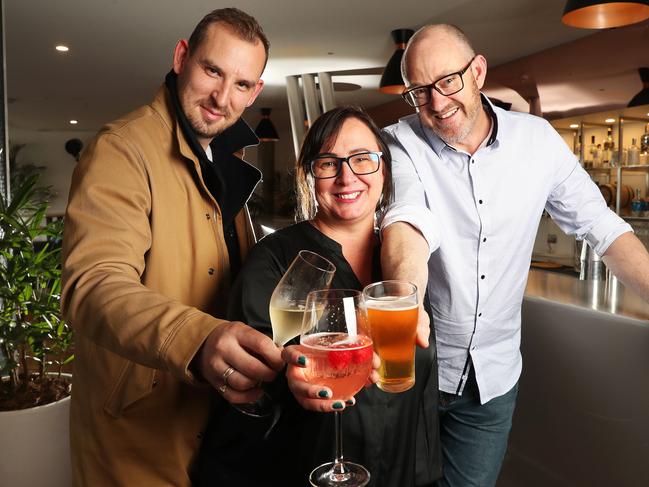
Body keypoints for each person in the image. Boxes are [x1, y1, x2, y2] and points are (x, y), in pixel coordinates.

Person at [379, 24, 649, 487]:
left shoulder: (538, 142)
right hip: (415, 373)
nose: (437, 103)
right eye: (420, 93)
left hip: (492, 381)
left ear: (478, 71)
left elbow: (602, 227)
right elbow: (408, 221)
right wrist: (406, 305)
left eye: (448, 82)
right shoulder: (399, 142)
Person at [61, 8, 285, 486]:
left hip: (218, 425)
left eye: (242, 85)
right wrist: (198, 338)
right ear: (182, 56)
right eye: (212, 71)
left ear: (257, 92)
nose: (222, 98)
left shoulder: (228, 155)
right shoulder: (121, 149)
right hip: (140, 436)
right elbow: (93, 285)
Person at [196, 106, 442, 487]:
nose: (348, 177)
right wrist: (286, 374)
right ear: (310, 176)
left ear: (385, 171)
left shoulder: (405, 264)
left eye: (363, 159)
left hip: (400, 472)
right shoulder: (275, 258)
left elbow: (421, 389)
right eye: (328, 163)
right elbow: (252, 373)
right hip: (302, 472)